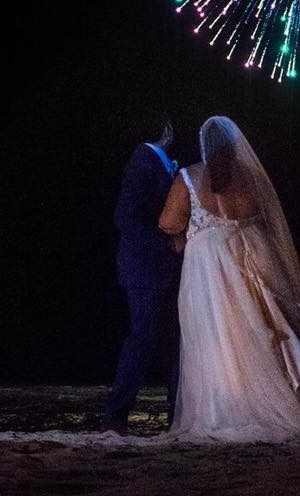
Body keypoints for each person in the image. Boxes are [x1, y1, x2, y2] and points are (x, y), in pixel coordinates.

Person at [158, 115, 300, 442]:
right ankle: (295, 398)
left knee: (221, 336)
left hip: (210, 267)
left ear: (204, 144)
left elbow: (168, 222)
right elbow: (267, 221)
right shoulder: (253, 180)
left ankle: (230, 406)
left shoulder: (190, 177)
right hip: (256, 258)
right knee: (270, 327)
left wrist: (182, 236)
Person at [103, 112, 182, 433]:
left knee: (171, 342)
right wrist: (164, 244)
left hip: (155, 269)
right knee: (143, 340)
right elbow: (124, 216)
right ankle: (116, 414)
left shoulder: (155, 162)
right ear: (167, 129)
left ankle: (177, 413)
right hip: (145, 270)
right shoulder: (144, 162)